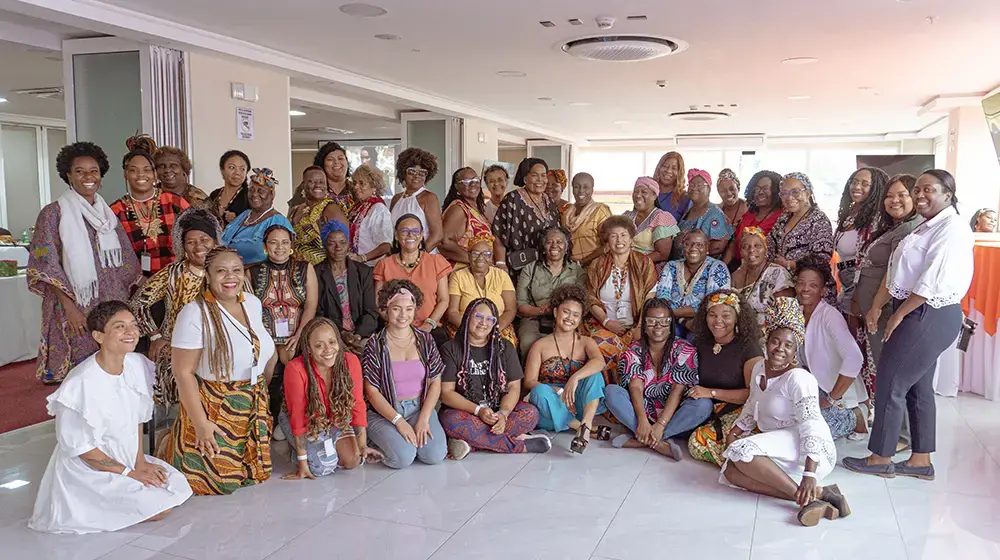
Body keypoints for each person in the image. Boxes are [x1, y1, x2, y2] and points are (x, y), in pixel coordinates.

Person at [844, 169, 974, 480]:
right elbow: (897, 270)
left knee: (891, 379)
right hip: (918, 309)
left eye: (928, 190)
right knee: (918, 388)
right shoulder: (929, 226)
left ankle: (880, 457)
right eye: (918, 190)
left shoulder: (952, 228)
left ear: (948, 194)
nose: (920, 195)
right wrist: (880, 306)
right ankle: (920, 460)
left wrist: (899, 316)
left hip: (929, 311)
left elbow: (930, 280)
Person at [29, 301, 192, 534]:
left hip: (125, 457)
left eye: (133, 325)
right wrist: (130, 473)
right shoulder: (80, 384)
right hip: (89, 470)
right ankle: (90, 503)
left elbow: (137, 418)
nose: (131, 332)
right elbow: (83, 450)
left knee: (177, 486)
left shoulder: (136, 365)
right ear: (98, 336)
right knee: (159, 509)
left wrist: (139, 461)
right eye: (119, 327)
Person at [159, 246, 277, 495]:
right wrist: (201, 424)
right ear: (208, 276)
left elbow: (262, 350)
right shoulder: (194, 313)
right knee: (215, 483)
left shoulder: (252, 304)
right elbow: (183, 373)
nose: (230, 277)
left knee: (252, 475)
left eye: (236, 270)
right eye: (221, 271)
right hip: (215, 404)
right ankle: (167, 444)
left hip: (251, 398)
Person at [720, 297, 845, 528]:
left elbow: (812, 426)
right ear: (766, 342)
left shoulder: (799, 378)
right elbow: (752, 402)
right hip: (782, 446)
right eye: (775, 342)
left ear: (795, 351)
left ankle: (806, 500)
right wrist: (736, 430)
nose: (780, 349)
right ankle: (818, 496)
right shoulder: (759, 367)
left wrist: (809, 474)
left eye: (788, 345)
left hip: (813, 451)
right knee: (730, 472)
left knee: (742, 451)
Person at [28, 141, 142, 384]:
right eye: (80, 171)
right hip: (75, 306)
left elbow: (125, 260)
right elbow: (46, 265)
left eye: (94, 171)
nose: (88, 177)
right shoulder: (53, 213)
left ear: (101, 175)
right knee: (79, 376)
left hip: (110, 304)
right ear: (68, 175)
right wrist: (71, 309)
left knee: (111, 369)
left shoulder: (107, 215)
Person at [130, 207, 221, 415]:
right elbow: (138, 303)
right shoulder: (173, 273)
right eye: (191, 242)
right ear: (183, 246)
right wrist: (155, 336)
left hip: (218, 347)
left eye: (204, 239)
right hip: (175, 348)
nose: (198, 246)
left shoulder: (228, 269)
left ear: (215, 241)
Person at [439, 299, 551, 459]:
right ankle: (518, 445)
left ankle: (471, 444)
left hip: (497, 411)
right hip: (466, 412)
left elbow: (513, 387)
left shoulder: (505, 347)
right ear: (468, 317)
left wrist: (504, 414)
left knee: (530, 413)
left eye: (490, 319)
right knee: (450, 420)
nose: (483, 323)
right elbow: (446, 393)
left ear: (495, 323)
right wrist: (479, 411)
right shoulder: (450, 349)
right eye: (478, 316)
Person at [853, 174, 922, 418]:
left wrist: (876, 307)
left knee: (891, 372)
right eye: (890, 196)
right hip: (875, 310)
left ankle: (897, 434)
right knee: (882, 369)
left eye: (902, 195)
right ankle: (889, 429)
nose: (894, 200)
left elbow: (893, 273)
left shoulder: (908, 229)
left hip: (885, 310)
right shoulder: (895, 227)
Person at [362, 280, 448, 468]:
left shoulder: (425, 340)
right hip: (386, 412)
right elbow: (372, 392)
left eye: (409, 309)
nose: (403, 315)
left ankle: (406, 440)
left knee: (434, 455)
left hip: (419, 408)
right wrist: (399, 422)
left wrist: (424, 418)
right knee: (403, 458)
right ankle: (371, 441)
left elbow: (435, 382)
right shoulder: (375, 344)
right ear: (386, 308)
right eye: (396, 309)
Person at [281, 318, 380, 479]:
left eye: (332, 342)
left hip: (335, 416)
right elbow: (298, 417)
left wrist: (362, 446)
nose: (328, 350)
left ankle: (329, 442)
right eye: (319, 345)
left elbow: (357, 405)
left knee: (353, 461)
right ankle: (296, 450)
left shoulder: (350, 361)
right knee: (321, 468)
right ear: (309, 349)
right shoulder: (295, 369)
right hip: (307, 419)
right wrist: (302, 463)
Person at [605, 299, 702, 461]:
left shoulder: (685, 349)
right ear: (644, 325)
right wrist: (642, 421)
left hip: (674, 416)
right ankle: (658, 443)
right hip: (641, 413)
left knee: (702, 404)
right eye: (652, 321)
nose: (658, 326)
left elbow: (677, 390)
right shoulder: (634, 350)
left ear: (671, 324)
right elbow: (635, 387)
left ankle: (644, 440)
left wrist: (661, 424)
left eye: (664, 321)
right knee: (611, 392)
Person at [247, 224, 319, 439]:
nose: (280, 247)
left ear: (291, 246)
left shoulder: (306, 268)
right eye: (273, 242)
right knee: (268, 361)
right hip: (264, 333)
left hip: (297, 332)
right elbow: (248, 308)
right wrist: (262, 336)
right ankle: (261, 418)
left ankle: (291, 417)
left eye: (285, 242)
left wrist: (299, 335)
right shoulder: (251, 271)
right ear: (265, 246)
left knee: (293, 362)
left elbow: (311, 306)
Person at [524, 285, 609, 454]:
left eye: (576, 315)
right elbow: (529, 381)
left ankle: (586, 421)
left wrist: (574, 378)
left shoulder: (585, 342)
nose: (570, 318)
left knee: (595, 375)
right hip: (549, 407)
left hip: (577, 404)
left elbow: (599, 362)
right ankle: (581, 429)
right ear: (555, 312)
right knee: (539, 391)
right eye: (566, 312)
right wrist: (555, 390)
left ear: (580, 319)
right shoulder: (540, 345)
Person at [685, 290, 764, 466]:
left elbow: (752, 394)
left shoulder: (749, 349)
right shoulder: (701, 342)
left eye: (726, 315)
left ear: (737, 318)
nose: (718, 321)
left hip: (740, 412)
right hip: (706, 408)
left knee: (697, 443)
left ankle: (748, 469)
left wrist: (711, 393)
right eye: (712, 315)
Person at [796, 255, 868, 440]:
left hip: (834, 393)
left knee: (811, 434)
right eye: (801, 283)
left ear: (822, 290)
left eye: (813, 285)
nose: (805, 289)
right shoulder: (795, 313)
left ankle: (855, 416)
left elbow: (854, 358)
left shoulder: (829, 316)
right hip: (810, 389)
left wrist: (832, 398)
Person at [583, 216, 658, 383]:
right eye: (613, 236)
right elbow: (591, 299)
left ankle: (631, 394)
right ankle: (604, 394)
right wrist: (607, 321)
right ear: (607, 241)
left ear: (631, 238)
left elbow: (649, 299)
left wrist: (639, 327)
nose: (619, 240)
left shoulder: (644, 263)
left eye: (624, 235)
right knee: (600, 346)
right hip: (604, 324)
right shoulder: (597, 265)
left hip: (637, 325)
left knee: (643, 354)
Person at [110, 134, 189, 277]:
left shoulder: (175, 203)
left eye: (147, 170)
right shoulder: (115, 211)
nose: (141, 175)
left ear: (154, 174)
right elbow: (114, 257)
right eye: (134, 170)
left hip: (177, 280)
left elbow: (195, 239)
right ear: (125, 174)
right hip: (137, 286)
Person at [374, 214, 453, 347]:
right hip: (395, 329)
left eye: (415, 231)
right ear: (396, 236)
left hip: (430, 330)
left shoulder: (436, 262)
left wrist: (429, 324)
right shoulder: (384, 265)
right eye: (404, 231)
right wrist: (398, 324)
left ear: (422, 235)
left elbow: (443, 300)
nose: (410, 235)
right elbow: (378, 302)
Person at [515, 226, 586, 360]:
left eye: (559, 242)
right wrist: (541, 311)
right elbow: (521, 305)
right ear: (543, 247)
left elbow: (580, 302)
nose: (554, 245)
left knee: (573, 344)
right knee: (528, 342)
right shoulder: (529, 270)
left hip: (567, 318)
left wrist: (561, 313)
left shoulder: (577, 271)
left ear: (566, 248)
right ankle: (531, 378)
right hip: (534, 318)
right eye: (549, 242)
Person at [767, 172, 836, 302]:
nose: (789, 197)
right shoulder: (783, 218)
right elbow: (770, 245)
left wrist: (790, 264)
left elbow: (822, 257)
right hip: (785, 287)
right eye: (784, 193)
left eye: (795, 192)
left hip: (811, 290)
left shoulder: (818, 220)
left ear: (808, 193)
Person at [316, 221, 379, 355]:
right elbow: (318, 314)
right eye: (332, 243)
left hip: (361, 335)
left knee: (369, 353)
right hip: (330, 335)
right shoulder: (316, 274)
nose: (338, 247)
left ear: (348, 244)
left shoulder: (363, 272)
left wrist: (357, 336)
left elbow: (371, 311)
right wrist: (341, 334)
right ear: (325, 245)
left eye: (343, 242)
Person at [655, 230, 731, 339]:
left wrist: (672, 312)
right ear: (683, 247)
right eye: (688, 244)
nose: (693, 248)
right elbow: (662, 299)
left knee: (696, 336)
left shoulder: (717, 267)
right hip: (672, 321)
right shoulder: (671, 266)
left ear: (707, 248)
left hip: (701, 324)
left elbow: (713, 303)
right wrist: (683, 320)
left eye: (699, 245)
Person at [492, 157, 560, 280]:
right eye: (535, 175)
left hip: (547, 268)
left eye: (543, 175)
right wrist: (500, 264)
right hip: (520, 267)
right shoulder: (513, 199)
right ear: (525, 178)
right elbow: (498, 233)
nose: (540, 180)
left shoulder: (549, 201)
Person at [834, 167, 889, 314]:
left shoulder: (876, 219)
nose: (857, 187)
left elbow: (868, 260)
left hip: (860, 284)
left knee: (855, 331)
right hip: (846, 281)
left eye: (865, 184)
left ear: (876, 188)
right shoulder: (850, 213)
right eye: (855, 182)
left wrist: (855, 295)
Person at [446, 232, 517, 346]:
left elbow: (511, 309)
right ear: (468, 255)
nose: (480, 258)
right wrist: (472, 330)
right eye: (475, 253)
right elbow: (452, 312)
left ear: (491, 257)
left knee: (506, 344)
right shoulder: (458, 276)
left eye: (486, 254)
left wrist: (494, 329)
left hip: (497, 326)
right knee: (463, 345)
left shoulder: (501, 275)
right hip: (466, 327)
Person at [220, 167, 293, 266]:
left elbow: (283, 259)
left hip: (260, 277)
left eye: (260, 191)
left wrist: (245, 271)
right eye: (251, 190)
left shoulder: (279, 222)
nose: (254, 194)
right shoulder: (244, 215)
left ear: (271, 195)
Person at [731, 226, 795, 332]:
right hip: (740, 335)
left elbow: (785, 315)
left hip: (768, 336)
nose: (751, 250)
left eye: (757, 246)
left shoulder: (777, 273)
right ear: (741, 252)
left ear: (766, 250)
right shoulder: (735, 276)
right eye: (745, 247)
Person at [724, 170, 784, 271]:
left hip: (762, 271)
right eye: (757, 188)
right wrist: (722, 267)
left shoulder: (781, 218)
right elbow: (734, 243)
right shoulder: (749, 213)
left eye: (765, 188)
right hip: (737, 266)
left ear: (775, 191)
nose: (760, 192)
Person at [290, 166, 349, 265]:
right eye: (312, 181)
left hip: (323, 272)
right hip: (296, 270)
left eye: (321, 182)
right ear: (303, 185)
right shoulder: (295, 210)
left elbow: (343, 245)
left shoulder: (331, 208)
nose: (317, 185)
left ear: (326, 186)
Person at [389, 147, 444, 252]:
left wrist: (418, 256)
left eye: (422, 172)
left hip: (422, 259)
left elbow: (438, 235)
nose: (416, 176)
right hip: (398, 259)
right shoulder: (396, 199)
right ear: (403, 173)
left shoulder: (429, 198)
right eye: (412, 171)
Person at [624, 177, 680, 274]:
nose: (638, 195)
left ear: (655, 195)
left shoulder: (661, 218)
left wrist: (634, 263)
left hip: (649, 269)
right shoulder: (627, 216)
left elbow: (662, 254)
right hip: (626, 265)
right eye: (635, 191)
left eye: (644, 192)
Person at [674, 168, 733, 260]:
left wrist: (693, 257)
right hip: (681, 264)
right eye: (691, 184)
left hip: (701, 266)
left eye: (699, 185)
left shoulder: (714, 213)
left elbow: (718, 246)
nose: (694, 188)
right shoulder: (690, 209)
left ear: (708, 188)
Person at [439, 167, 492, 265]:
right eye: (467, 181)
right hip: (462, 272)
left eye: (476, 180)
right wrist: (474, 260)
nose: (473, 184)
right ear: (457, 187)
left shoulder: (477, 209)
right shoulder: (458, 208)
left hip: (478, 270)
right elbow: (444, 242)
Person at [347, 164, 392, 266]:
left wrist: (363, 257)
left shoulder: (378, 209)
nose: (356, 187)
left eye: (362, 183)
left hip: (370, 268)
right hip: (354, 266)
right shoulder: (357, 207)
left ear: (374, 186)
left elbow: (386, 246)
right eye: (355, 183)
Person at [562, 172, 611, 266]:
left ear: (592, 190)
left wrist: (583, 262)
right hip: (570, 268)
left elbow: (608, 245)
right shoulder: (567, 213)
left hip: (594, 267)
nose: (581, 191)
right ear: (572, 189)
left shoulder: (600, 211)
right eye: (577, 187)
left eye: (586, 187)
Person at [210, 150, 251, 226]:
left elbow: (257, 225)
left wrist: (238, 221)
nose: (237, 173)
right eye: (232, 167)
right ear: (222, 171)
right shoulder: (214, 195)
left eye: (242, 169)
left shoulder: (251, 197)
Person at [652, 151, 691, 221]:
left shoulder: (685, 198)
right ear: (659, 168)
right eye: (665, 166)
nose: (668, 171)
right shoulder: (648, 192)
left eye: (674, 168)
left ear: (679, 173)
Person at [317, 141, 354, 214]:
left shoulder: (356, 189)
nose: (336, 162)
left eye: (340, 158)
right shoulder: (312, 188)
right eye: (330, 159)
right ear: (322, 164)